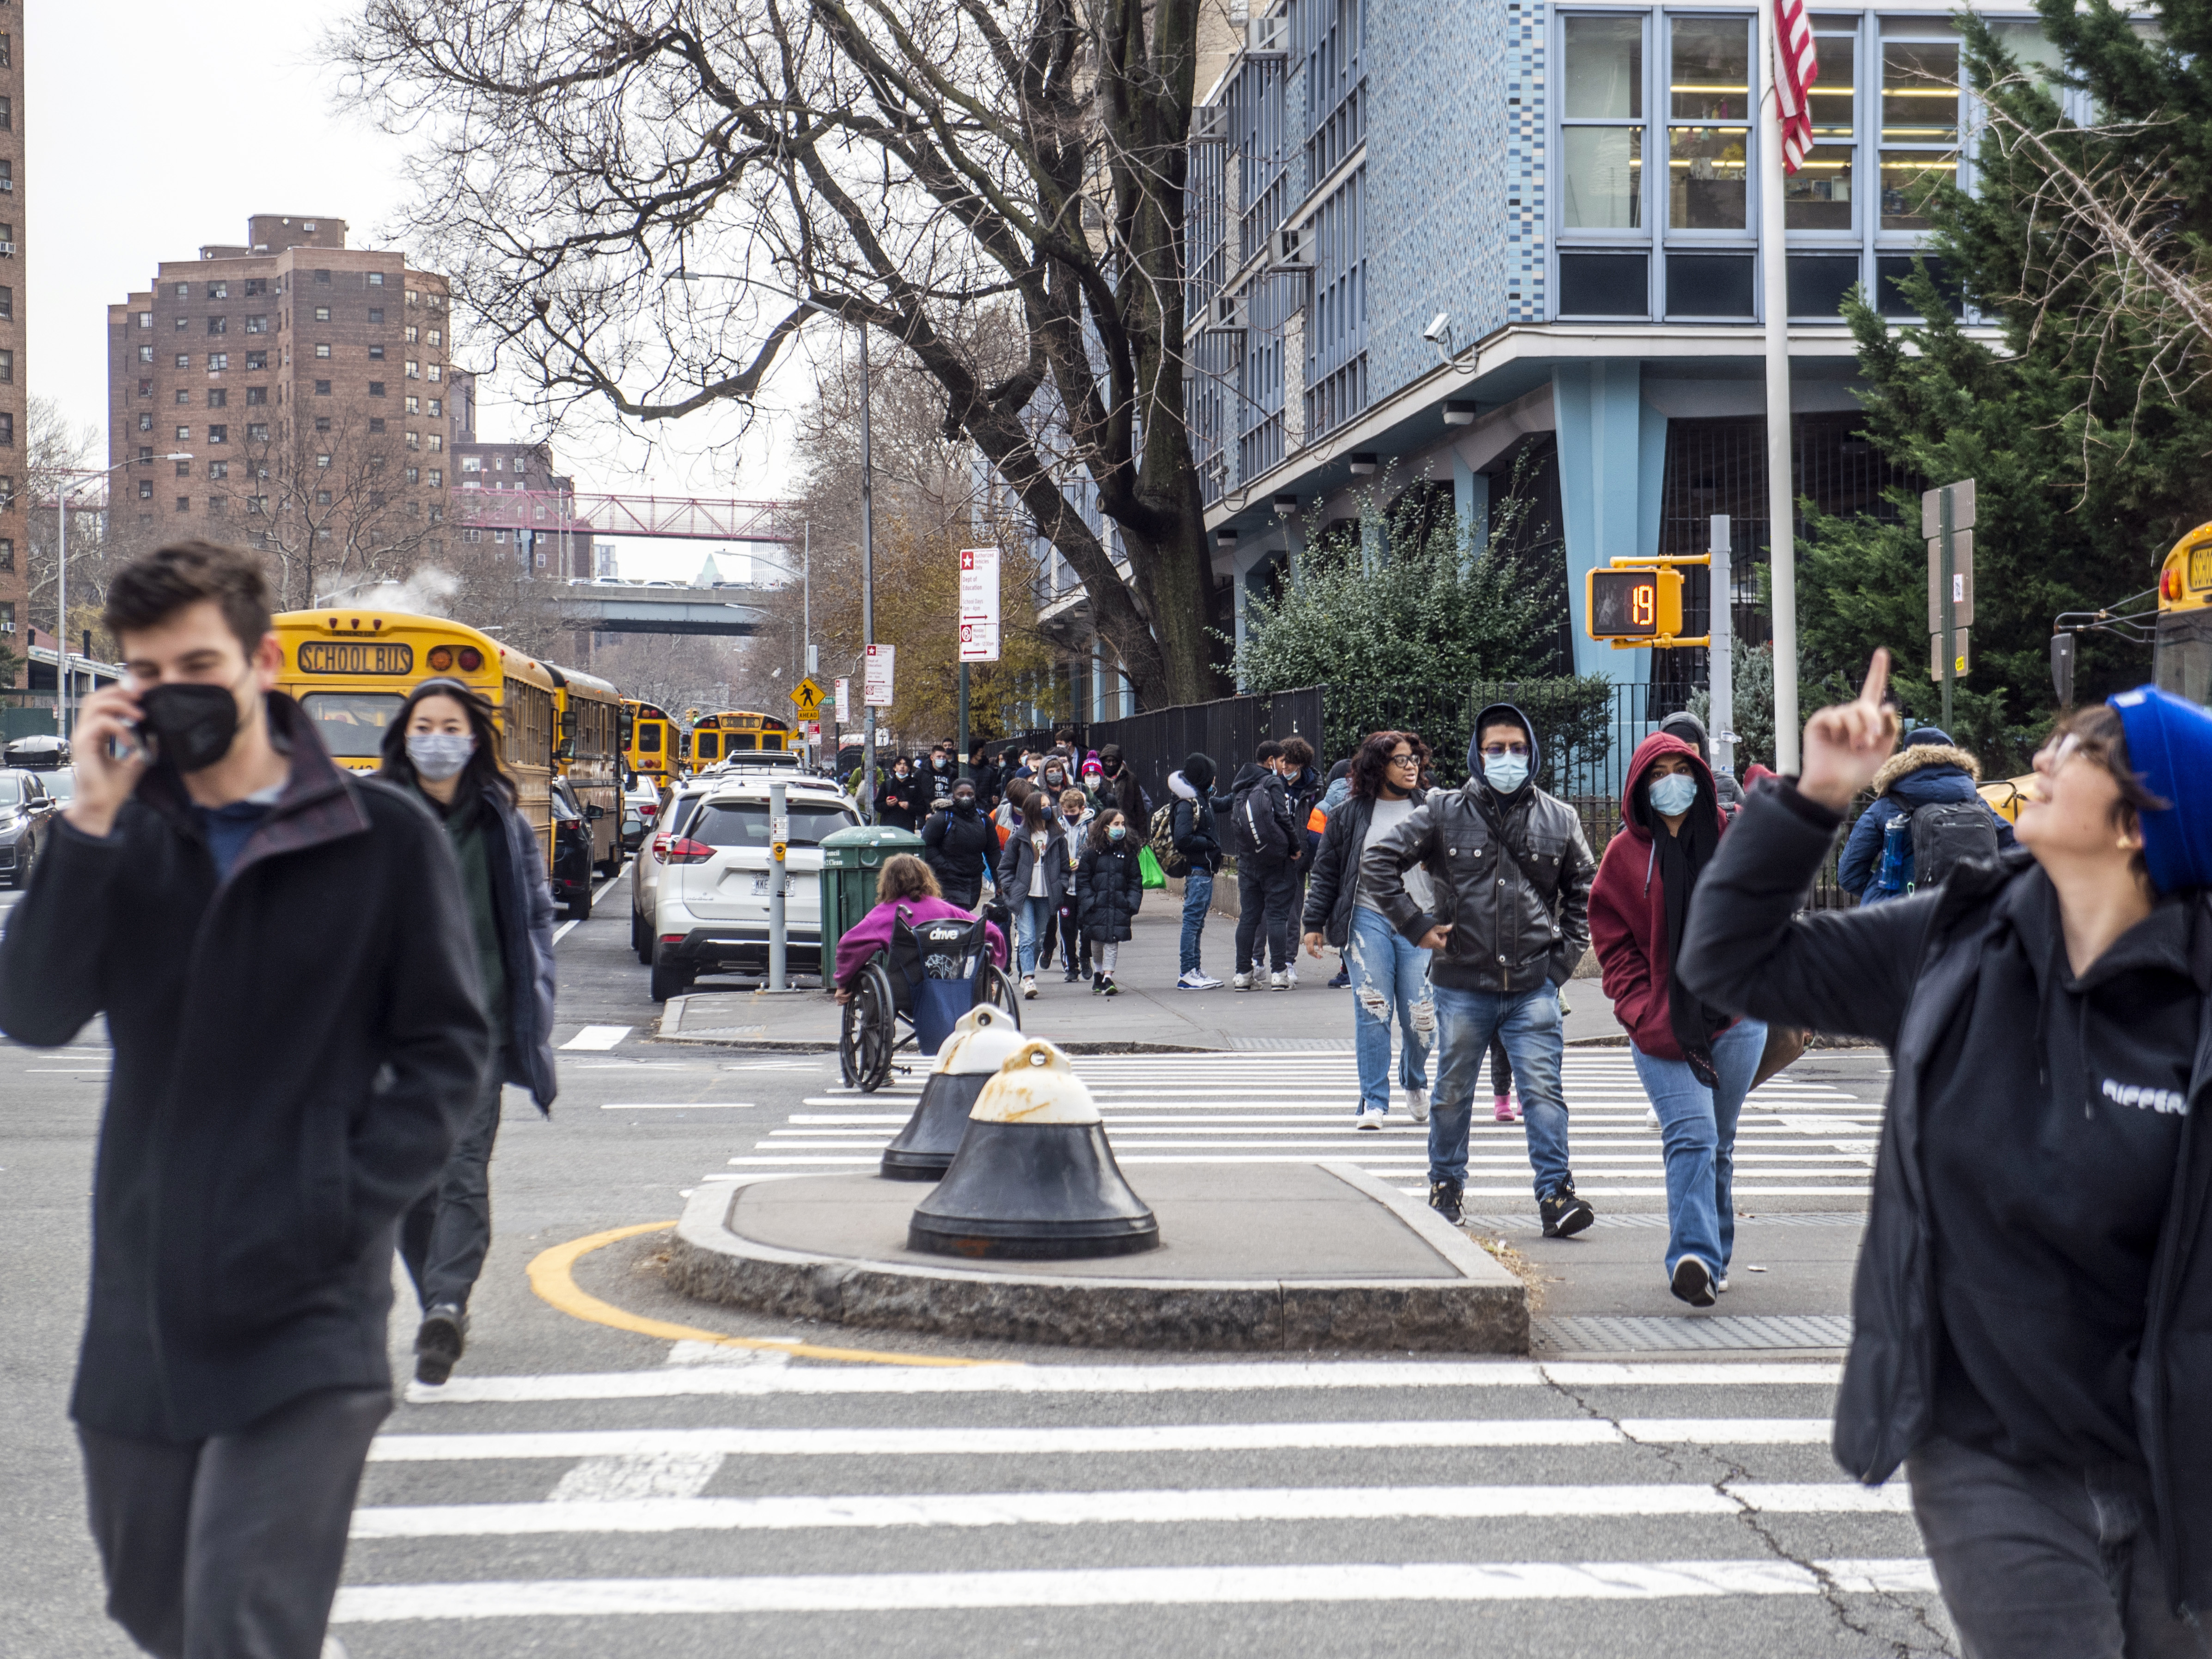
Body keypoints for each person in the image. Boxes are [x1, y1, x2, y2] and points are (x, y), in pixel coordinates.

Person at [0, 541, 486, 1659]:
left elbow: (446, 1050)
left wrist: (339, 1207)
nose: (178, 691)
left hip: (308, 1313)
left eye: (201, 662)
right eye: (148, 669)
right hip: (143, 1307)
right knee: (152, 1606)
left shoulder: (383, 837)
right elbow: (30, 1010)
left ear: (264, 662)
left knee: (240, 1622)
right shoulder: (121, 835)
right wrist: (84, 819)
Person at [1678, 654, 2212, 1654]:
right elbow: (1728, 962)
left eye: (2088, 750)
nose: (2047, 755)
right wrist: (1810, 800)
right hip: (1988, 1442)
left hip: (2173, 1456)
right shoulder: (1956, 940)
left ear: (2141, 823)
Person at [379, 678, 560, 1384]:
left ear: (475, 738)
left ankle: (448, 1303)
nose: (436, 738)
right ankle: (437, 1300)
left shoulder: (503, 823)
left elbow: (536, 917)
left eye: (450, 726)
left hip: (477, 1030)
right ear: (404, 736)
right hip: (395, 1038)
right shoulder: (381, 818)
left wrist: (537, 989)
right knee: (411, 1185)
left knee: (461, 1173)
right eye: (423, 726)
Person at [1363, 703, 1597, 1232]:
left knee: (1543, 1091)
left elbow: (1586, 892)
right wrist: (1415, 925)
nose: (1507, 757)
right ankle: (1445, 1188)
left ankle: (1556, 1195)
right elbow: (1378, 861)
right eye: (1496, 748)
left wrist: (1559, 966)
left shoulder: (1559, 818)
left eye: (1517, 748)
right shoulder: (1443, 810)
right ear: (1478, 753)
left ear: (1532, 751)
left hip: (1532, 986)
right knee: (1451, 1091)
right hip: (1462, 983)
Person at [1589, 728, 1763, 1308]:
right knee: (1692, 1134)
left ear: (1699, 774)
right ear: (1640, 785)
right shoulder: (1622, 855)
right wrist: (1640, 1009)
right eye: (1657, 773)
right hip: (1661, 1026)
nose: (1670, 783)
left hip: (1736, 1017)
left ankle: (1714, 1255)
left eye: (1679, 770)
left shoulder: (1731, 835)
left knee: (1720, 1140)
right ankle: (1692, 1255)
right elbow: (1613, 946)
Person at [1303, 731, 1434, 1129]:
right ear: (1379, 767)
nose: (1411, 766)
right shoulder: (1349, 813)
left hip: (1420, 921)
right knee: (1374, 1007)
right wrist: (1313, 923)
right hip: (1367, 918)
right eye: (1401, 760)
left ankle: (1413, 1078)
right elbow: (1326, 871)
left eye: (1414, 759)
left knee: (1422, 1017)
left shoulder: (1432, 808)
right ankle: (1373, 1101)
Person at [1836, 723, 2016, 905]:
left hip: (1894, 917)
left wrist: (1883, 891)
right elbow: (2016, 850)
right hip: (1960, 915)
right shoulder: (1978, 804)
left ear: (1906, 758)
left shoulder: (1885, 807)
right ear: (1955, 759)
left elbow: (1848, 874)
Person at [831, 852, 1006, 995]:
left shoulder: (885, 914)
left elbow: (848, 945)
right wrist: (990, 975)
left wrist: (843, 982)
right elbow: (992, 932)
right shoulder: (947, 910)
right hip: (956, 984)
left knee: (873, 984)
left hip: (907, 991)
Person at [1227, 739, 1300, 990]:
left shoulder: (1239, 784)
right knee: (1278, 916)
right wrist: (1294, 846)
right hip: (1275, 861)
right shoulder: (1272, 782)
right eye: (1281, 761)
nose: (1283, 767)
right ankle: (1279, 974)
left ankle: (1243, 974)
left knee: (1249, 917)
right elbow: (1282, 817)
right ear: (1271, 761)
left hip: (1248, 861)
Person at [995, 786, 1070, 998]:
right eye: (1042, 806)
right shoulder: (1019, 838)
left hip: (1047, 895)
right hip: (1025, 895)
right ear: (1032, 810)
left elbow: (1064, 868)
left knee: (1039, 939)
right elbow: (1005, 868)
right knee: (1026, 937)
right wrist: (1012, 888)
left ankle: (1027, 972)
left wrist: (1060, 885)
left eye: (1049, 806)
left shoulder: (1057, 838)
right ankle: (1028, 979)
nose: (1048, 809)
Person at [1169, 752, 1225, 990]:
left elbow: (1223, 804)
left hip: (1204, 870)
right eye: (1212, 777)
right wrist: (1209, 844)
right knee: (1192, 922)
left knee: (1197, 922)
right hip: (1198, 870)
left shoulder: (1200, 798)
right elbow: (1182, 838)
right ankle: (1187, 972)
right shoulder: (1186, 803)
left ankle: (1195, 969)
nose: (1215, 782)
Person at [1075, 808, 1143, 994]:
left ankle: (1108, 977)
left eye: (1123, 824)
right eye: (1117, 824)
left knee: (1112, 941)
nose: (1121, 828)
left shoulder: (1128, 853)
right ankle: (1098, 972)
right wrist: (1090, 902)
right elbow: (1083, 881)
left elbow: (1135, 881)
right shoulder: (1091, 853)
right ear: (1106, 828)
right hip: (1097, 906)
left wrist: (1130, 903)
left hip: (1118, 905)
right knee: (1097, 941)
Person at [920, 777, 993, 909]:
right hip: (947, 881)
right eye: (961, 795)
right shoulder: (941, 819)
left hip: (973, 881)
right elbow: (927, 847)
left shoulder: (983, 819)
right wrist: (945, 867)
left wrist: (998, 881)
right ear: (953, 796)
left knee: (965, 916)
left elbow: (993, 851)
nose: (966, 798)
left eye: (970, 794)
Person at [1657, 710, 1745, 816]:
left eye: (1689, 748)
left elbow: (1750, 827)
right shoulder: (1656, 788)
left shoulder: (1728, 786)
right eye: (1674, 750)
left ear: (1701, 749)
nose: (1683, 756)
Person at [1053, 786, 1095, 981]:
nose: (1069, 815)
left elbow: (1094, 851)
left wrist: (1082, 862)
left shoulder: (1091, 827)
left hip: (1085, 885)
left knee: (1086, 925)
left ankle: (1085, 956)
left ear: (1082, 808)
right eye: (1066, 811)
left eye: (1073, 811)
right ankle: (1071, 965)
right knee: (1067, 928)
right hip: (1065, 885)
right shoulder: (1057, 827)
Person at [877, 754, 924, 833]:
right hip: (888, 828)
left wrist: (909, 807)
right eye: (899, 764)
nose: (902, 767)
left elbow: (922, 809)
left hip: (907, 829)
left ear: (909, 769)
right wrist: (887, 804)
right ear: (895, 768)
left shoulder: (915, 786)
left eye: (905, 765)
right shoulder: (887, 785)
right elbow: (877, 806)